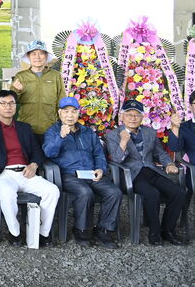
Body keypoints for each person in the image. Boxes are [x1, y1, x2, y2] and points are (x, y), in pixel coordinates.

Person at [0, 90, 58, 246]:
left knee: (52, 191)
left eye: (11, 103)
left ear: (16, 106)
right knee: (7, 193)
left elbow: (37, 151)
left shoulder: (24, 128)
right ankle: (15, 233)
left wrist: (34, 165)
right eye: (3, 103)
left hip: (27, 172)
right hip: (4, 173)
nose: (8, 107)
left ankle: (43, 233)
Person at [105, 99, 186, 245]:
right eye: (129, 114)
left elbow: (160, 153)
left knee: (178, 192)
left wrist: (168, 163)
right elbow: (116, 160)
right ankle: (154, 232)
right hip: (130, 175)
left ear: (142, 117)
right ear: (121, 116)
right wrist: (123, 142)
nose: (133, 118)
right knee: (152, 193)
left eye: (137, 115)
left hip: (151, 171)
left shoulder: (149, 132)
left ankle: (168, 230)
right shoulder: (113, 135)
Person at [43, 97, 120, 248]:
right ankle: (82, 230)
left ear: (79, 113)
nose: (70, 115)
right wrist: (61, 137)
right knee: (85, 192)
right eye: (66, 111)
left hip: (90, 173)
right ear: (59, 113)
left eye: (73, 111)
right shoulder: (53, 131)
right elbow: (48, 153)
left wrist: (100, 169)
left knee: (114, 192)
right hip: (69, 174)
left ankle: (103, 230)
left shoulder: (87, 132)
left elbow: (98, 153)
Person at [12, 40, 64, 138]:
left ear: (46, 56)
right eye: (34, 54)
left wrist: (63, 124)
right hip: (26, 128)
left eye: (41, 53)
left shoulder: (56, 76)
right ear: (29, 56)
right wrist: (17, 91)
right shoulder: (21, 76)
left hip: (50, 128)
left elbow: (62, 101)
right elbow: (11, 101)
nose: (37, 57)